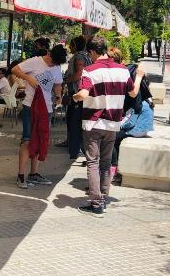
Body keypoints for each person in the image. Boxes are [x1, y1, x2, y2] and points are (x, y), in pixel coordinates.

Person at [72, 36, 144, 217]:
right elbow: (133, 93)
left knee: (93, 162)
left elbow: (83, 93)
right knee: (105, 163)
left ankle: (96, 204)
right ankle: (103, 198)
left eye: (90, 53)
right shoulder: (122, 70)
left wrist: (75, 97)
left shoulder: (90, 71)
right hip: (113, 123)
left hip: (93, 122)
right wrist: (140, 76)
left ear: (92, 52)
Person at [12, 44, 67, 188]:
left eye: (56, 64)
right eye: (52, 61)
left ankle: (34, 174)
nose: (53, 65)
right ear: (48, 54)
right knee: (27, 140)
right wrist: (28, 78)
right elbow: (14, 69)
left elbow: (58, 84)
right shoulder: (35, 61)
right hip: (30, 106)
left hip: (47, 109)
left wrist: (59, 95)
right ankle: (21, 176)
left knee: (41, 139)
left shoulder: (56, 66)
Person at [62, 36, 90, 159]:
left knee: (74, 122)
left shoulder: (79, 56)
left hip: (77, 92)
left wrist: (66, 80)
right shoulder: (86, 55)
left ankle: (76, 149)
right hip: (79, 92)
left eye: (71, 44)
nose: (70, 47)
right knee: (71, 119)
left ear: (75, 45)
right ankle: (71, 143)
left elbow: (79, 73)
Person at [111, 99, 154, 170]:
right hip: (144, 130)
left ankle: (114, 165)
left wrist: (119, 126)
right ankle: (117, 162)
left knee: (111, 138)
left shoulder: (139, 104)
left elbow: (131, 123)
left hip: (136, 131)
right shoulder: (148, 102)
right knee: (117, 139)